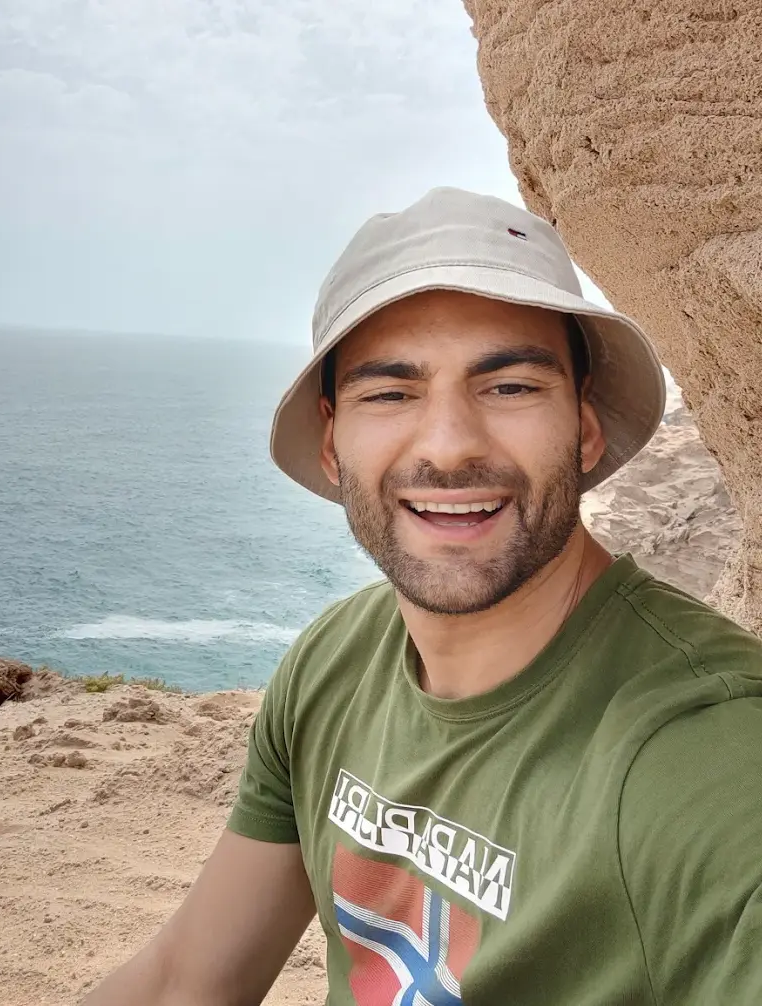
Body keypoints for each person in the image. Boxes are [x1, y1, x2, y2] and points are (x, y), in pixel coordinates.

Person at [83, 187, 762, 1004]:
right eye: (391, 393)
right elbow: (186, 980)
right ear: (333, 445)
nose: (447, 447)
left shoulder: (708, 759)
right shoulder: (338, 661)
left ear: (583, 428)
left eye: (509, 386)